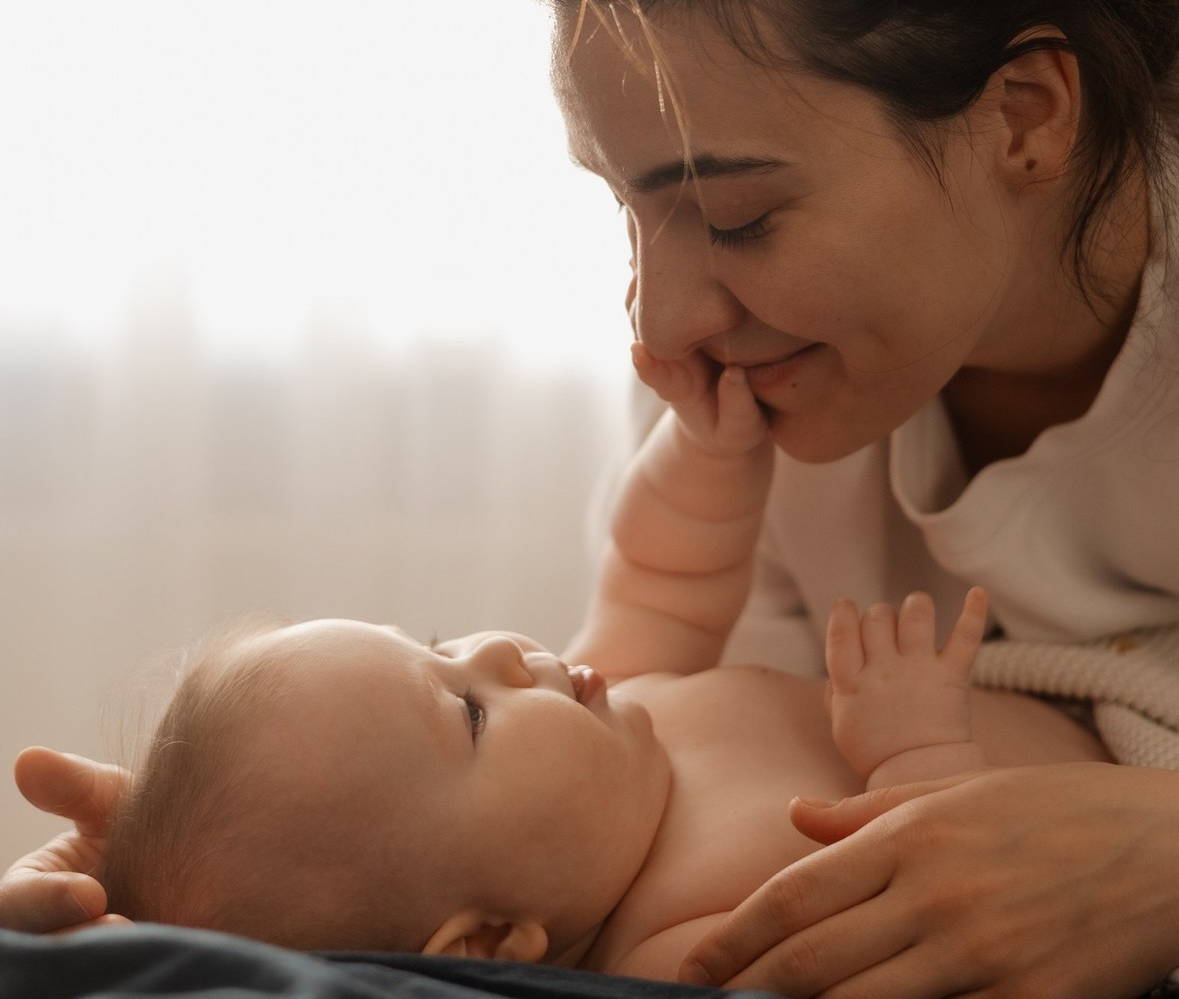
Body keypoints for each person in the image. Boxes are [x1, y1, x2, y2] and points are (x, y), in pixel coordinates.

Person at [4, 0, 1179, 993]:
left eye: (735, 215)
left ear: (1024, 116)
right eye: (626, 204)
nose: (657, 324)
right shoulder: (751, 376)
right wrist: (239, 884)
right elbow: (672, 765)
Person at [24, 349, 1106, 979]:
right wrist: (917, 749)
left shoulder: (612, 707)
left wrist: (708, 452)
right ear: (492, 939)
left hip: (1092, 677)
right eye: (468, 712)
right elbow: (947, 915)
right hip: (1108, 796)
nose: (499, 648)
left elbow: (660, 573)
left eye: (441, 643)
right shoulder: (687, 940)